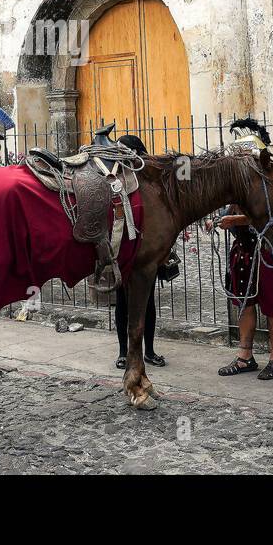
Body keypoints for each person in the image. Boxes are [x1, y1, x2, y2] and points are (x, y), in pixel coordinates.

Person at [209, 118, 273, 380]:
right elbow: (232, 206)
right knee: (245, 304)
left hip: (270, 248)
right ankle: (245, 357)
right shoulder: (242, 179)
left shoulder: (271, 177)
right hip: (245, 249)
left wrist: (234, 220)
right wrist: (219, 218)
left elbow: (270, 214)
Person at [112, 134, 165, 370]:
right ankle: (124, 352)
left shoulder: (149, 180)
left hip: (145, 249)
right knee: (122, 302)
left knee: (147, 303)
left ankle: (149, 350)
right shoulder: (116, 180)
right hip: (122, 249)